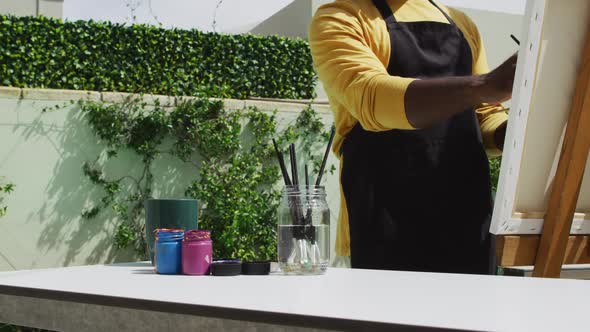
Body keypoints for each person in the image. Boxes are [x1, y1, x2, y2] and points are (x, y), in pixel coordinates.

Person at [309, 0, 517, 274]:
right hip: (382, 227)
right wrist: (484, 86)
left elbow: (484, 117)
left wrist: (518, 134)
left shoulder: (462, 23)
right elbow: (372, 97)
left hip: (467, 226)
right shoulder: (341, 17)